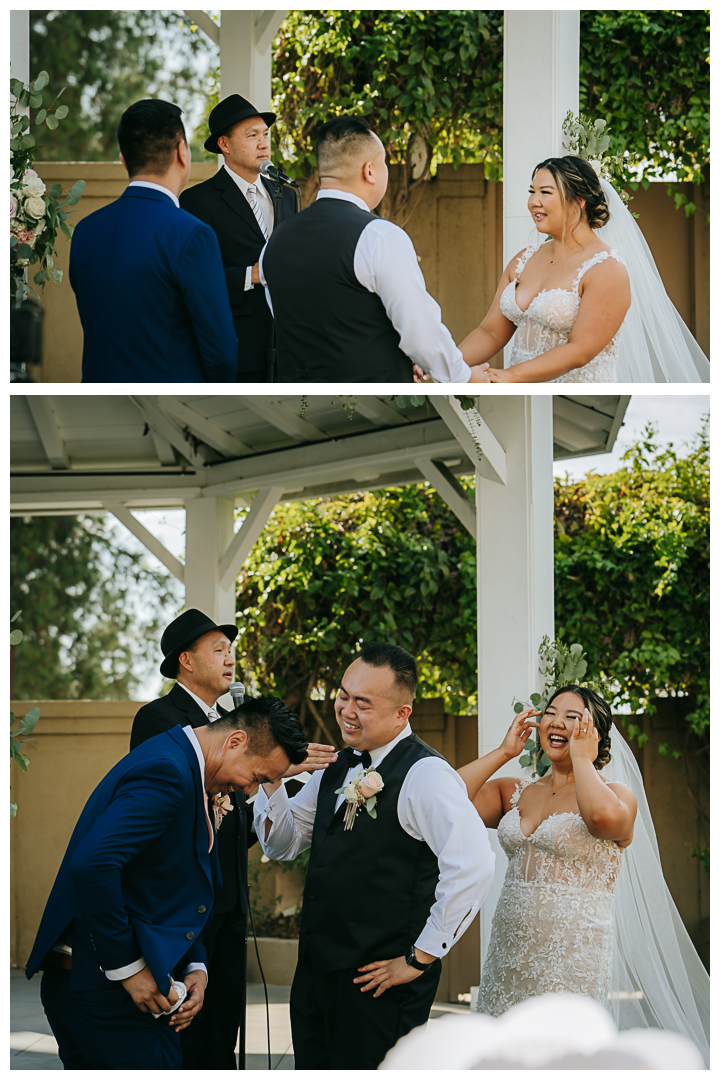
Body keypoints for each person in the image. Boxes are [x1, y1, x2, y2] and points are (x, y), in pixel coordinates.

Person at [25, 698, 309, 1070]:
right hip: (105, 991)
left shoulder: (184, 765)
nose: (248, 789)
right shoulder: (168, 772)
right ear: (236, 741)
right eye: (256, 777)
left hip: (95, 987)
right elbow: (94, 864)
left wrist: (196, 966)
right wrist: (130, 969)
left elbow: (171, 885)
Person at [254, 641, 496, 1070]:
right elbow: (282, 844)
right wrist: (272, 780)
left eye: (363, 703)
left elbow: (473, 865)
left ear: (402, 712)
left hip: (380, 986)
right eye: (343, 695)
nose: (347, 710)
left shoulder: (427, 775)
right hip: (315, 976)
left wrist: (421, 957)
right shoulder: (336, 765)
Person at [460, 685, 710, 1066]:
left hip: (570, 956)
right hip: (509, 955)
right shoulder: (515, 791)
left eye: (574, 717)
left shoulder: (616, 795)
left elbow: (600, 820)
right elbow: (445, 801)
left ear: (594, 734)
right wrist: (504, 753)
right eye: (552, 712)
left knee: (561, 1057)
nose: (558, 722)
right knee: (502, 1055)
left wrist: (581, 761)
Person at [130, 608, 334, 1069]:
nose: (230, 659)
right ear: (186, 660)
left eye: (231, 651)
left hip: (227, 907)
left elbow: (237, 832)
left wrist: (273, 775)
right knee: (184, 1033)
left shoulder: (230, 723)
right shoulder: (159, 719)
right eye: (218, 650)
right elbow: (172, 818)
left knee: (223, 1032)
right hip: (182, 905)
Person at [260, 115, 491, 384]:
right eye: (384, 164)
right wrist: (463, 377)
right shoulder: (379, 237)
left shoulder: (274, 243)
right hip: (376, 400)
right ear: (369, 171)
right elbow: (420, 330)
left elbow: (289, 322)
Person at [453, 156, 710, 383]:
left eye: (545, 192)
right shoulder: (523, 259)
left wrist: (507, 376)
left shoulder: (606, 269)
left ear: (579, 200)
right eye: (532, 192)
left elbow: (580, 351)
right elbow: (491, 332)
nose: (534, 202)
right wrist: (448, 367)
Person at [70, 99, 237, 383]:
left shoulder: (85, 230)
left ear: (124, 160)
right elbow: (221, 355)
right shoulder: (191, 235)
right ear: (182, 152)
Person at [180, 95, 299, 382]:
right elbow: (194, 279)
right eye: (252, 135)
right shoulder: (198, 200)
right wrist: (250, 275)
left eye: (266, 135)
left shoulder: (286, 194)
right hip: (239, 347)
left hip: (290, 346)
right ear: (224, 145)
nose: (263, 143)